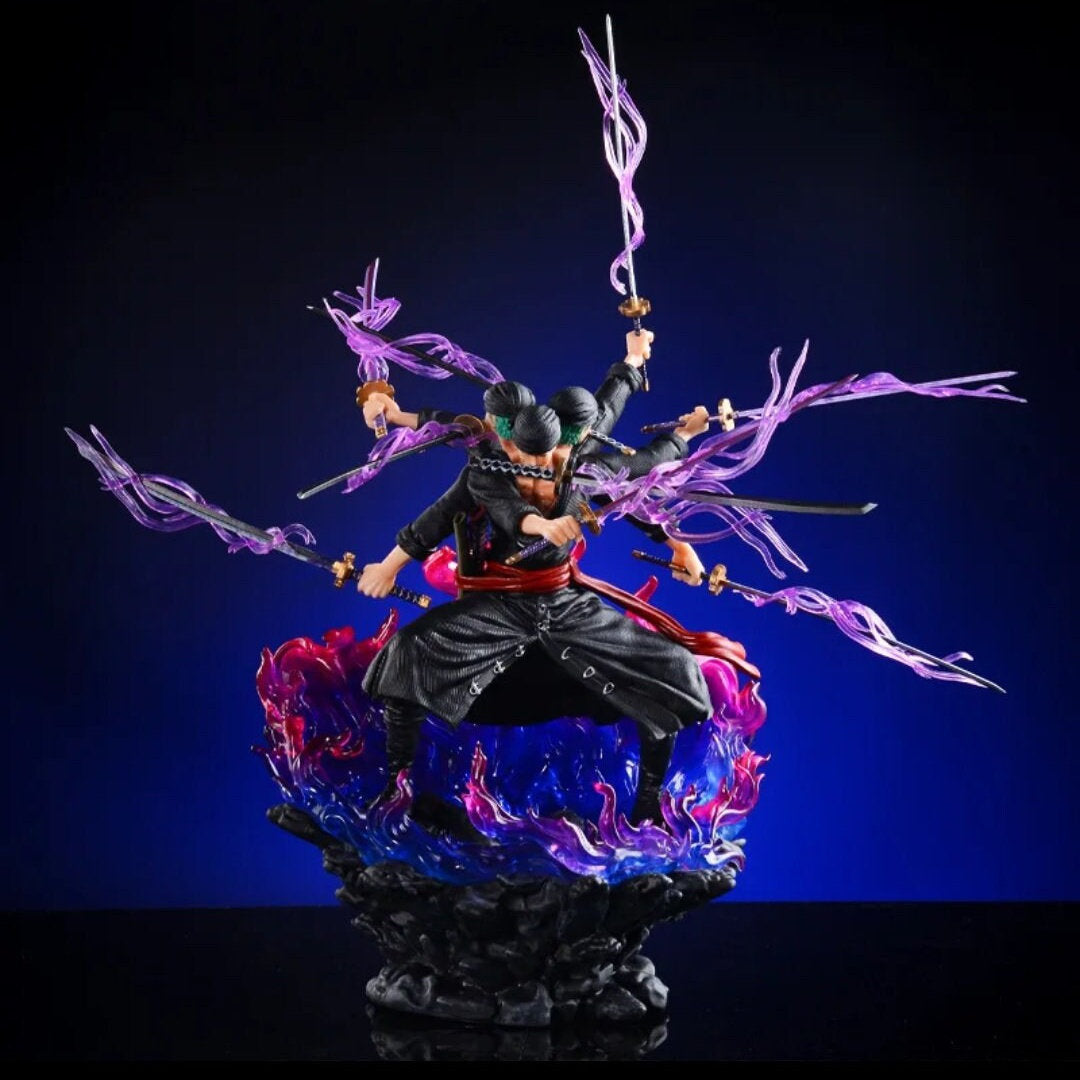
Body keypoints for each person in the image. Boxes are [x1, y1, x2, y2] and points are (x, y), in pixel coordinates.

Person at [356, 385, 758, 833]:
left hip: (563, 602)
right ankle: (396, 792)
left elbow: (641, 476)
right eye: (526, 457)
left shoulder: (583, 469)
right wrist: (388, 567)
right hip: (501, 603)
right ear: (509, 443)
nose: (541, 467)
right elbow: (455, 511)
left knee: (675, 669)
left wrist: (678, 538)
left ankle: (647, 811)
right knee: (407, 652)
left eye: (553, 454)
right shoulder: (488, 471)